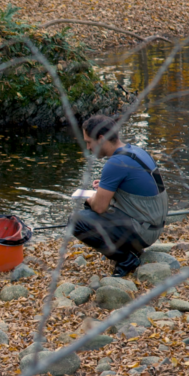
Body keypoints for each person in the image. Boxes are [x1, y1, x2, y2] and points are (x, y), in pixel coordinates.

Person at [74, 114, 169, 277]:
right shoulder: (136, 151)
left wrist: (90, 198)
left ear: (101, 138)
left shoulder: (115, 163)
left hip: (144, 231)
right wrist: (106, 186)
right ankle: (128, 250)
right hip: (154, 224)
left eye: (89, 142)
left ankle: (126, 258)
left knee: (77, 220)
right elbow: (136, 185)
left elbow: (99, 207)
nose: (88, 148)